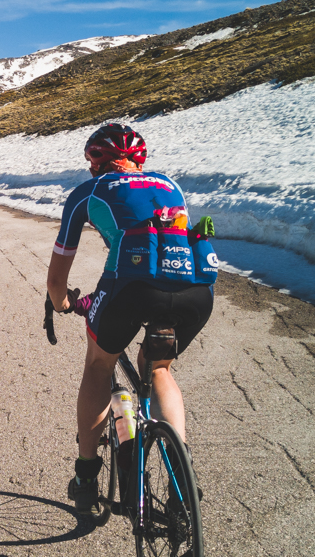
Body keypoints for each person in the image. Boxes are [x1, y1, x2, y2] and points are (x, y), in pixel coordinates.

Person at [45, 122, 217, 516]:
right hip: (194, 291)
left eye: (91, 160)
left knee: (99, 363)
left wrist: (62, 303)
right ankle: (181, 476)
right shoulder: (170, 185)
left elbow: (57, 280)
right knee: (159, 368)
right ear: (139, 160)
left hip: (129, 288)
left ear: (96, 161)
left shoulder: (87, 193)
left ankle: (86, 475)